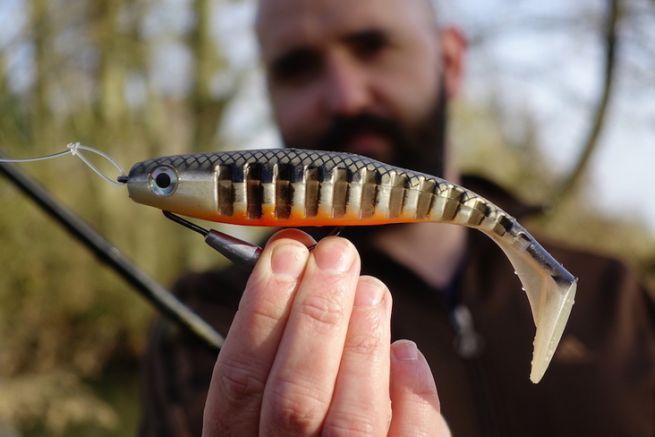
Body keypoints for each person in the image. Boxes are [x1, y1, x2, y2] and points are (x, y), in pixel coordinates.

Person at [140, 0, 655, 435]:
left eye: (373, 46)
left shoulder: (618, 298)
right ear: (269, 91)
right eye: (297, 66)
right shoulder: (205, 316)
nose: (345, 96)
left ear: (450, 61)